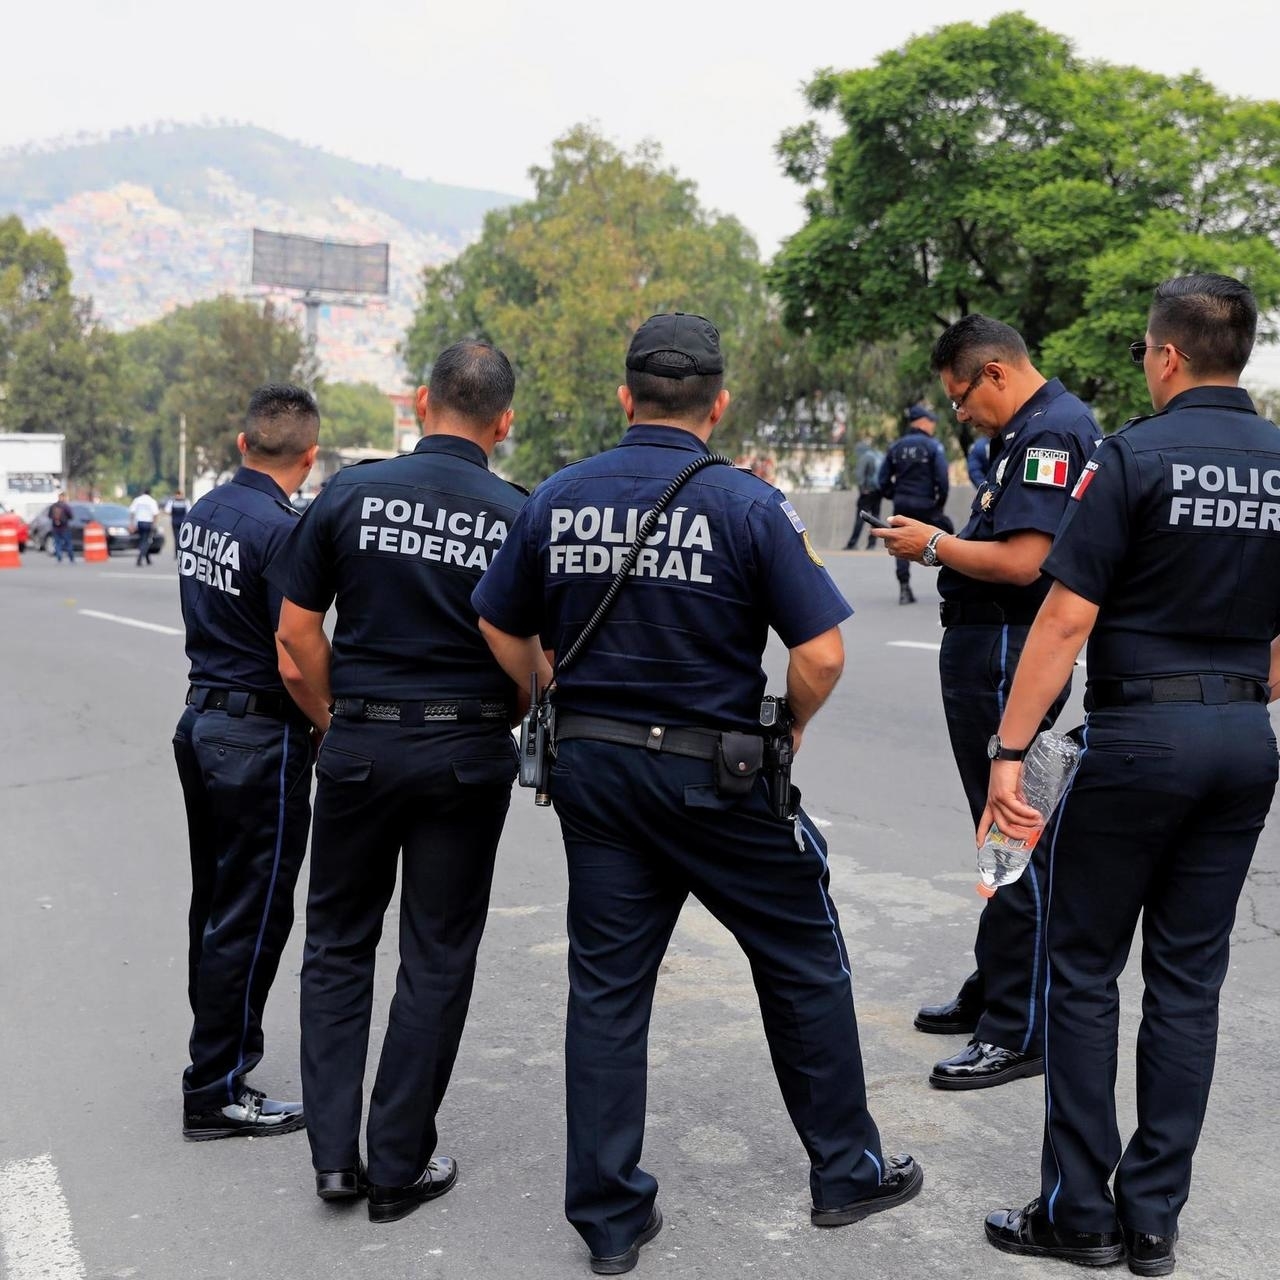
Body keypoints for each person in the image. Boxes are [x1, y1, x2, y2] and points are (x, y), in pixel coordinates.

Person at [473, 313, 922, 1277]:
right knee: (802, 957)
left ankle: (608, 1218)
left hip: (595, 775)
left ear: (625, 396)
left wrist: (549, 692)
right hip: (716, 778)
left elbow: (498, 625)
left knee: (606, 990)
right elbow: (823, 652)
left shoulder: (558, 495)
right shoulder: (749, 506)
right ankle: (846, 1171)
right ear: (717, 405)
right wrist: (791, 725)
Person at [979, 274, 1280, 1273]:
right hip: (1240, 740)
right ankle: (1152, 1218)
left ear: (1162, 356)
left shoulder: (1131, 456)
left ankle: (1079, 1213)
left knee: (1080, 969)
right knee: (1188, 980)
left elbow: (1063, 618)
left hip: (1137, 737)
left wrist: (1008, 750)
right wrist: (1239, 690)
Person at [272, 341, 526, 1223]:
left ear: (421, 403)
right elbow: (537, 655)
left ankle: (335, 1161)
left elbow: (295, 636)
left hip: (360, 747)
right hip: (467, 753)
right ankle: (396, 1165)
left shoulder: (347, 493)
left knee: (338, 944)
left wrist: (338, 716)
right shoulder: (513, 512)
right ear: (503, 422)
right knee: (437, 957)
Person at [874, 316, 1100, 1091]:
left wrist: (932, 544)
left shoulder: (1050, 434)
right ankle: (998, 981)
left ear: (996, 372)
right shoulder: (1032, 430)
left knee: (1012, 828)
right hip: (991, 644)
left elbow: (1022, 561)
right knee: (995, 826)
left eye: (962, 395)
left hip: (1008, 646)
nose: (960, 413)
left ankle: (1021, 1026)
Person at [173, 384, 327, 1141]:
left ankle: (211, 1062)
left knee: (215, 906)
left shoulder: (201, 513)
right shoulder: (281, 530)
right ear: (310, 456)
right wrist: (329, 722)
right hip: (256, 739)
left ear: (242, 444)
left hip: (200, 722)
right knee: (254, 915)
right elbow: (294, 655)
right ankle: (218, 1087)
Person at [878, 404, 949, 602]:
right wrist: (939, 504)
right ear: (923, 422)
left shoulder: (896, 446)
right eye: (931, 421)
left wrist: (894, 495)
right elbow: (942, 479)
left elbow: (882, 479)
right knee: (948, 533)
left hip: (902, 503)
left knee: (900, 541)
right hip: (926, 503)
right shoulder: (933, 446)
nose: (933, 425)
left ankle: (904, 587)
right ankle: (956, 584)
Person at [843, 441, 885, 550]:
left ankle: (852, 543)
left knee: (861, 517)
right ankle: (872, 544)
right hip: (879, 491)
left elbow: (859, 474)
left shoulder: (865, 457)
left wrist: (862, 489)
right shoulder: (879, 455)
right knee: (875, 518)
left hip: (867, 492)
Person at [49, 491, 75, 563]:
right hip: (64, 527)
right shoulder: (66, 506)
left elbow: (49, 516)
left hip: (55, 528)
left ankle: (59, 556)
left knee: (57, 543)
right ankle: (71, 557)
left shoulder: (53, 506)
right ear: (64, 497)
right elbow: (71, 516)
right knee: (68, 543)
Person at [165, 490, 190, 559]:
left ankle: (179, 554)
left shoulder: (173, 502)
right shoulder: (184, 502)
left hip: (179, 522)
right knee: (177, 538)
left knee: (182, 539)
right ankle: (178, 554)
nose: (178, 496)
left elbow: (167, 511)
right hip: (178, 522)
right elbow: (189, 512)